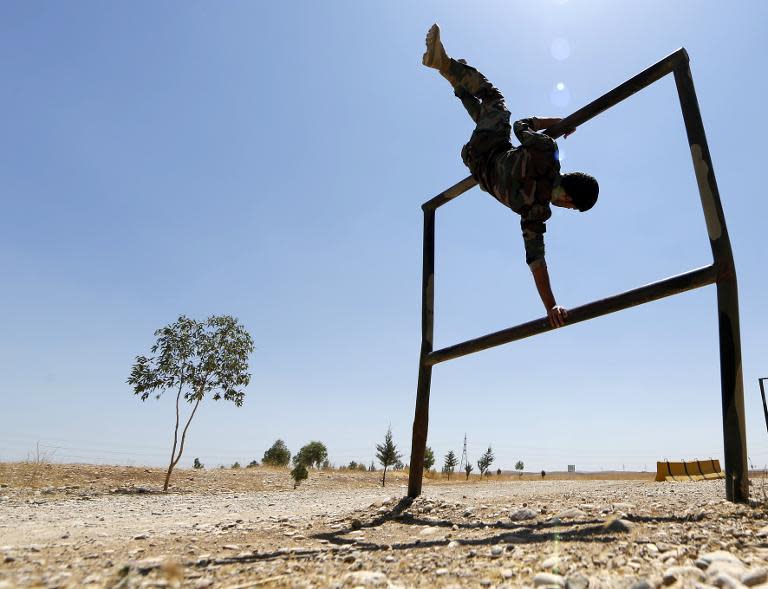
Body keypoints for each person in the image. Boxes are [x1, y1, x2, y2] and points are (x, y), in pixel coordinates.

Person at [422, 24, 599, 328]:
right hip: (476, 162)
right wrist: (551, 305)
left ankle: (452, 69)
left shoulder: (547, 151)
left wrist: (556, 122)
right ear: (569, 199)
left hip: (490, 145)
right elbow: (536, 261)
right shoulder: (536, 214)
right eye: (571, 208)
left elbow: (521, 125)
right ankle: (450, 71)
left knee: (496, 105)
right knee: (489, 112)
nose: (566, 210)